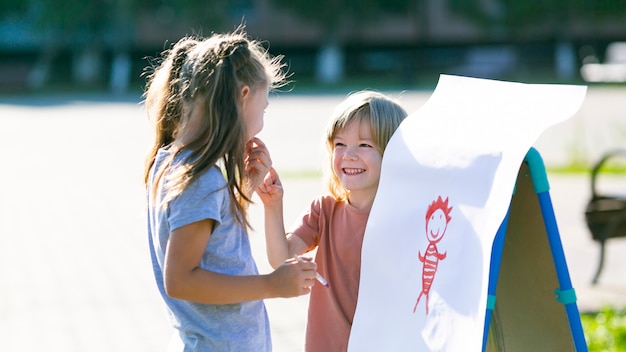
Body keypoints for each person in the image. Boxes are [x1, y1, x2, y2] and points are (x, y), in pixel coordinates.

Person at [143, 27, 317, 351]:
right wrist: (272, 284)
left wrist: (245, 192)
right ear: (243, 96)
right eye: (263, 109)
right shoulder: (199, 178)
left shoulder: (173, 162)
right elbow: (181, 279)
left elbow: (212, 243)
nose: (262, 122)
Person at [257, 90, 408, 351]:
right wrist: (273, 206)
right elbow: (280, 259)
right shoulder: (324, 211)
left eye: (364, 145)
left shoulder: (405, 221)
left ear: (393, 153)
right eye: (339, 144)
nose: (348, 155)